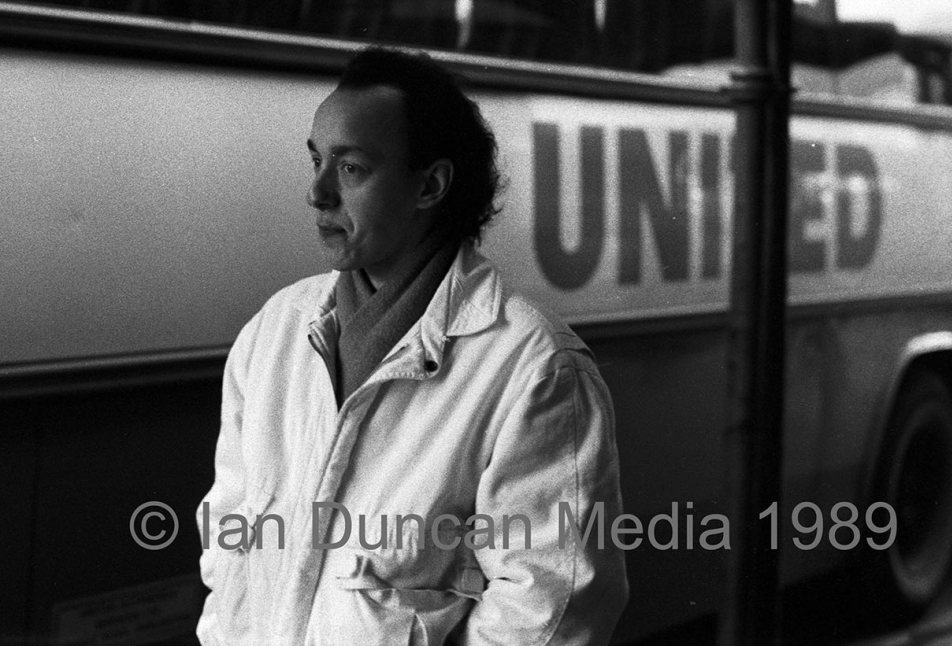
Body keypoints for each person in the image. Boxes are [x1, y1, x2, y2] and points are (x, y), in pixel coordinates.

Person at [195, 46, 628, 645]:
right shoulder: (274, 332)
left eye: (351, 169)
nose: (317, 193)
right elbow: (230, 546)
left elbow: (550, 613)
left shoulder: (535, 367)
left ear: (430, 185)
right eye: (318, 160)